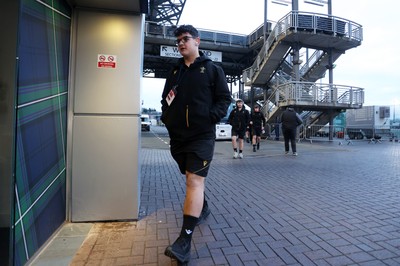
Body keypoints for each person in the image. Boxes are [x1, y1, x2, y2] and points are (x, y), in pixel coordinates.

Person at [160, 24, 231, 264]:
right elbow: (165, 99)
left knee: (194, 180)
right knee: (190, 177)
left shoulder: (212, 70)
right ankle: (203, 207)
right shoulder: (174, 71)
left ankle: (184, 242)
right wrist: (166, 118)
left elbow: (224, 99)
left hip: (202, 136)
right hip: (178, 137)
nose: (180, 43)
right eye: (178, 40)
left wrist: (209, 118)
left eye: (185, 39)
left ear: (197, 41)